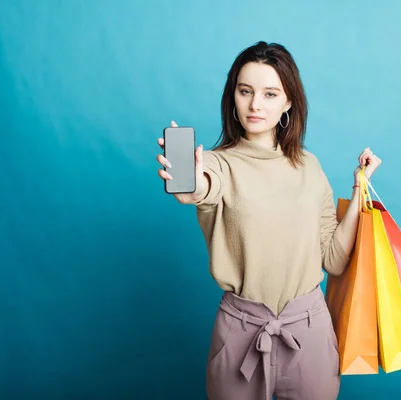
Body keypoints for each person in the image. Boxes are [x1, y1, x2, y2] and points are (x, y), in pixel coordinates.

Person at [156, 41, 380, 400]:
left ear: (289, 101)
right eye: (245, 91)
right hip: (240, 333)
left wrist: (359, 189)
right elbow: (202, 188)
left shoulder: (310, 167)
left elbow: (334, 260)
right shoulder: (218, 164)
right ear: (233, 96)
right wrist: (192, 185)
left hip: (308, 333)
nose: (255, 104)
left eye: (270, 93)